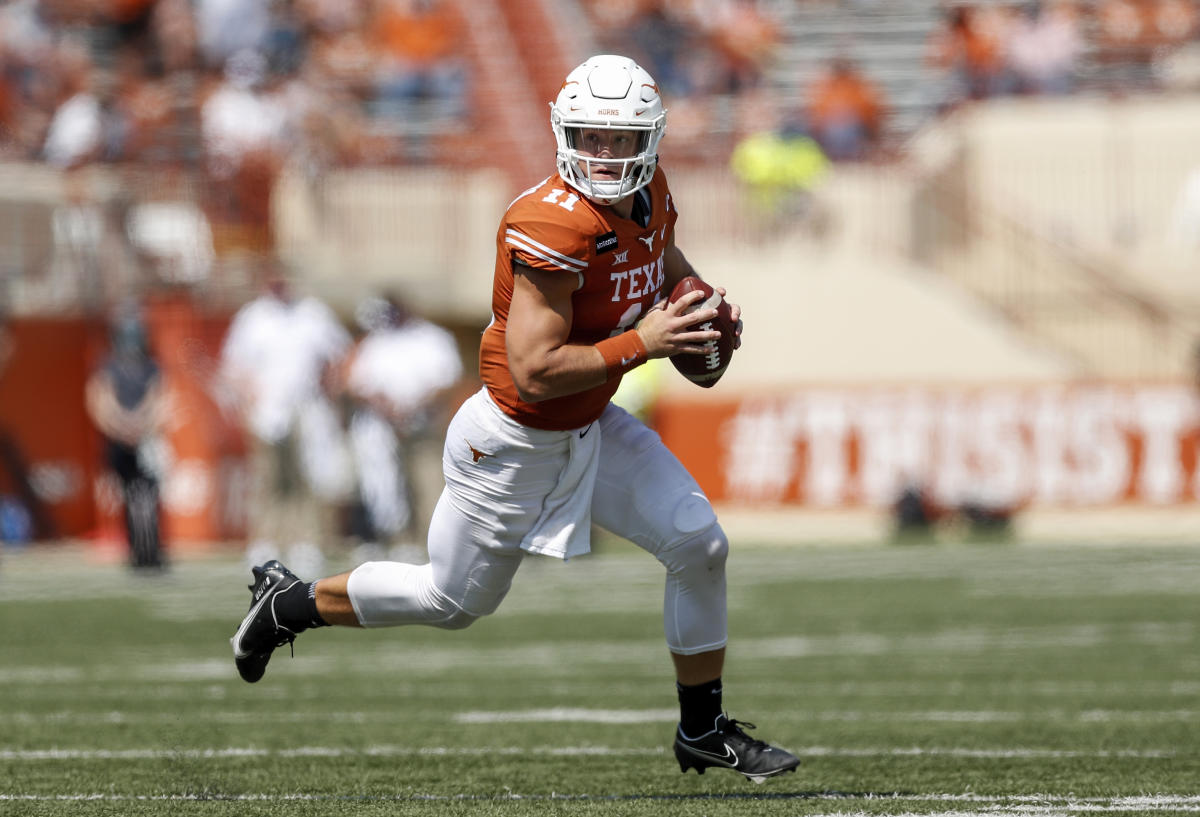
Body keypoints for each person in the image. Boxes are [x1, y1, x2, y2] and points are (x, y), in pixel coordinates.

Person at [230, 54, 800, 783]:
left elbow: (663, 260)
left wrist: (698, 308)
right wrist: (646, 342)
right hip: (511, 439)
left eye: (618, 139)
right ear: (566, 134)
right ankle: (291, 602)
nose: (602, 153)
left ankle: (702, 728)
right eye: (589, 136)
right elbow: (535, 370)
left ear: (648, 143)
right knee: (452, 599)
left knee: (699, 544)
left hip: (590, 426)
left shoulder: (651, 193)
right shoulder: (548, 223)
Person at [217, 260, 353, 576]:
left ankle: (306, 542)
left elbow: (340, 355)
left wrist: (329, 389)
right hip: (267, 410)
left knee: (304, 478)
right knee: (268, 479)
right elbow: (234, 365)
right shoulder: (252, 317)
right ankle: (265, 541)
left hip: (307, 407)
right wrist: (251, 397)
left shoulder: (313, 314)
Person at [343, 293, 463, 560]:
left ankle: (431, 541)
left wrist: (414, 407)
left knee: (428, 483)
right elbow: (356, 382)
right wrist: (385, 406)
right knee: (387, 486)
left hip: (424, 426)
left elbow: (448, 380)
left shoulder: (433, 338)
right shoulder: (377, 341)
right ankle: (397, 539)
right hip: (383, 427)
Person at [84, 307, 170, 569]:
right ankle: (137, 550)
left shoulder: (152, 366)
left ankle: (152, 549)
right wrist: (123, 427)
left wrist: (141, 425)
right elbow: (100, 401)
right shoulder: (108, 366)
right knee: (132, 497)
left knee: (149, 496)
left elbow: (161, 400)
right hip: (120, 443)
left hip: (146, 441)